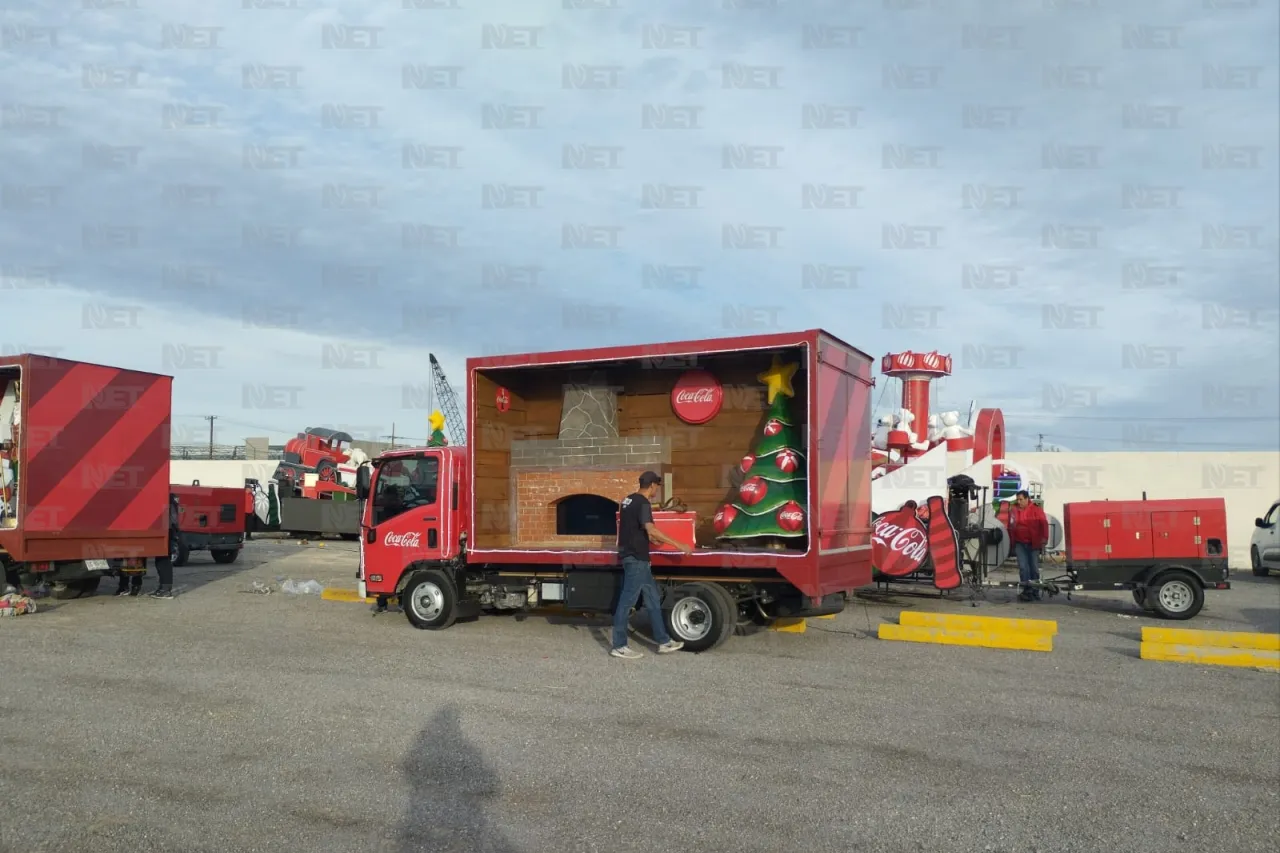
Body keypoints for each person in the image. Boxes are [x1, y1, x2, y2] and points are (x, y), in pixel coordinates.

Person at [611, 471, 693, 659]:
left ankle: (663, 642)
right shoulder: (643, 503)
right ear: (652, 485)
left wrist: (652, 539)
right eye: (657, 486)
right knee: (626, 602)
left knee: (653, 598)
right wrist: (679, 544)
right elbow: (650, 528)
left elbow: (635, 528)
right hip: (637, 558)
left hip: (634, 556)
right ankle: (619, 645)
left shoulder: (627, 501)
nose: (657, 489)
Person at [1009, 490, 1049, 601]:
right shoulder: (1014, 510)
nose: (1019, 501)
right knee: (1023, 568)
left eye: (1021, 499)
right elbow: (1010, 525)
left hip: (1033, 543)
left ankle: (1035, 591)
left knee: (1034, 568)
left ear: (1027, 499)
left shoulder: (1037, 510)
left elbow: (1044, 525)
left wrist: (1044, 539)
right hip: (1019, 543)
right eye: (1018, 499)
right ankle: (1026, 590)